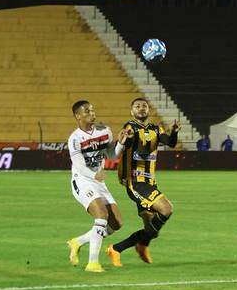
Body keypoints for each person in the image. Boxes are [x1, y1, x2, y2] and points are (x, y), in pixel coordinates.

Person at [106, 98, 179, 267]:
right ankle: (126, 247)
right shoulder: (130, 127)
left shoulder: (156, 128)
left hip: (150, 182)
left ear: (149, 110)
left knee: (152, 229)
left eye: (144, 106)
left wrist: (174, 131)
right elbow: (130, 142)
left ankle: (126, 247)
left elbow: (171, 143)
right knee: (166, 209)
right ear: (132, 111)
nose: (141, 108)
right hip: (135, 182)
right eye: (137, 106)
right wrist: (126, 139)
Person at [65, 100, 126, 273]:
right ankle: (93, 263)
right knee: (102, 215)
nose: (92, 113)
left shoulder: (104, 131)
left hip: (98, 181)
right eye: (87, 111)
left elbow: (112, 156)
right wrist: (94, 174)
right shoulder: (74, 139)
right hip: (82, 180)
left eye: (92, 110)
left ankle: (77, 242)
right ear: (78, 116)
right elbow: (79, 165)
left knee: (117, 223)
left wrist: (120, 143)